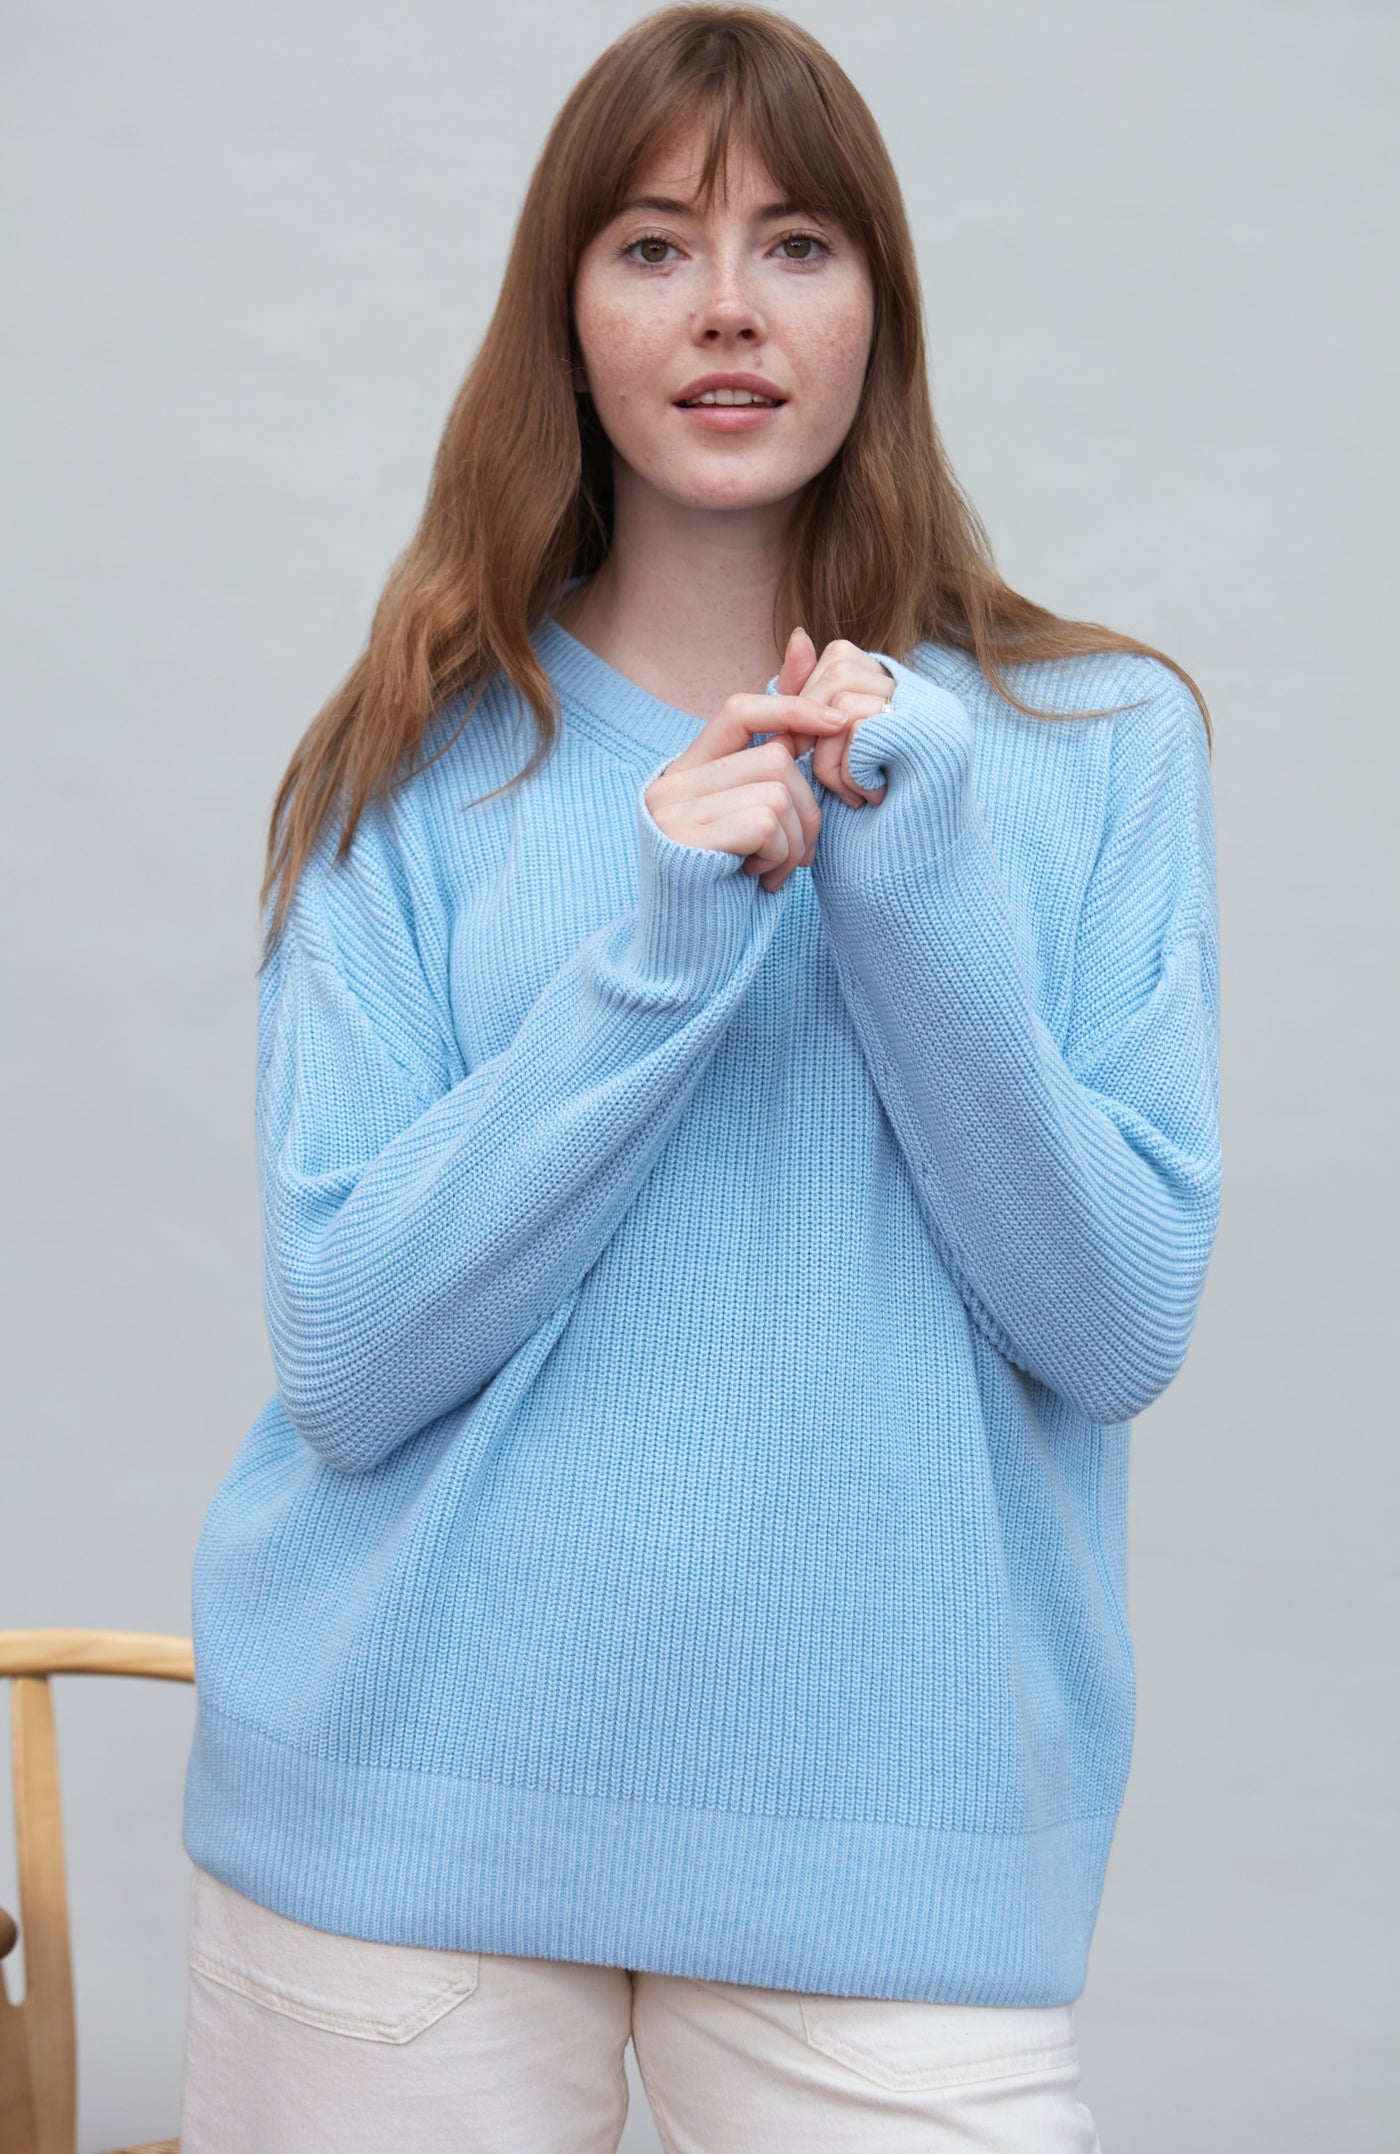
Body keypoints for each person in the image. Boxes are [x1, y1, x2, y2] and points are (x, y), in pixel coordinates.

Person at [177, 7, 1222, 2149]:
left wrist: (913, 892)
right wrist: (653, 952)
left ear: (881, 312)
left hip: (894, 1841)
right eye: (654, 245)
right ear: (563, 311)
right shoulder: (412, 763)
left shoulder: (1094, 748)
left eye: (799, 244)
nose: (728, 310)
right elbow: (354, 1351)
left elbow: (1112, 1324)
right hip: (402, 1821)